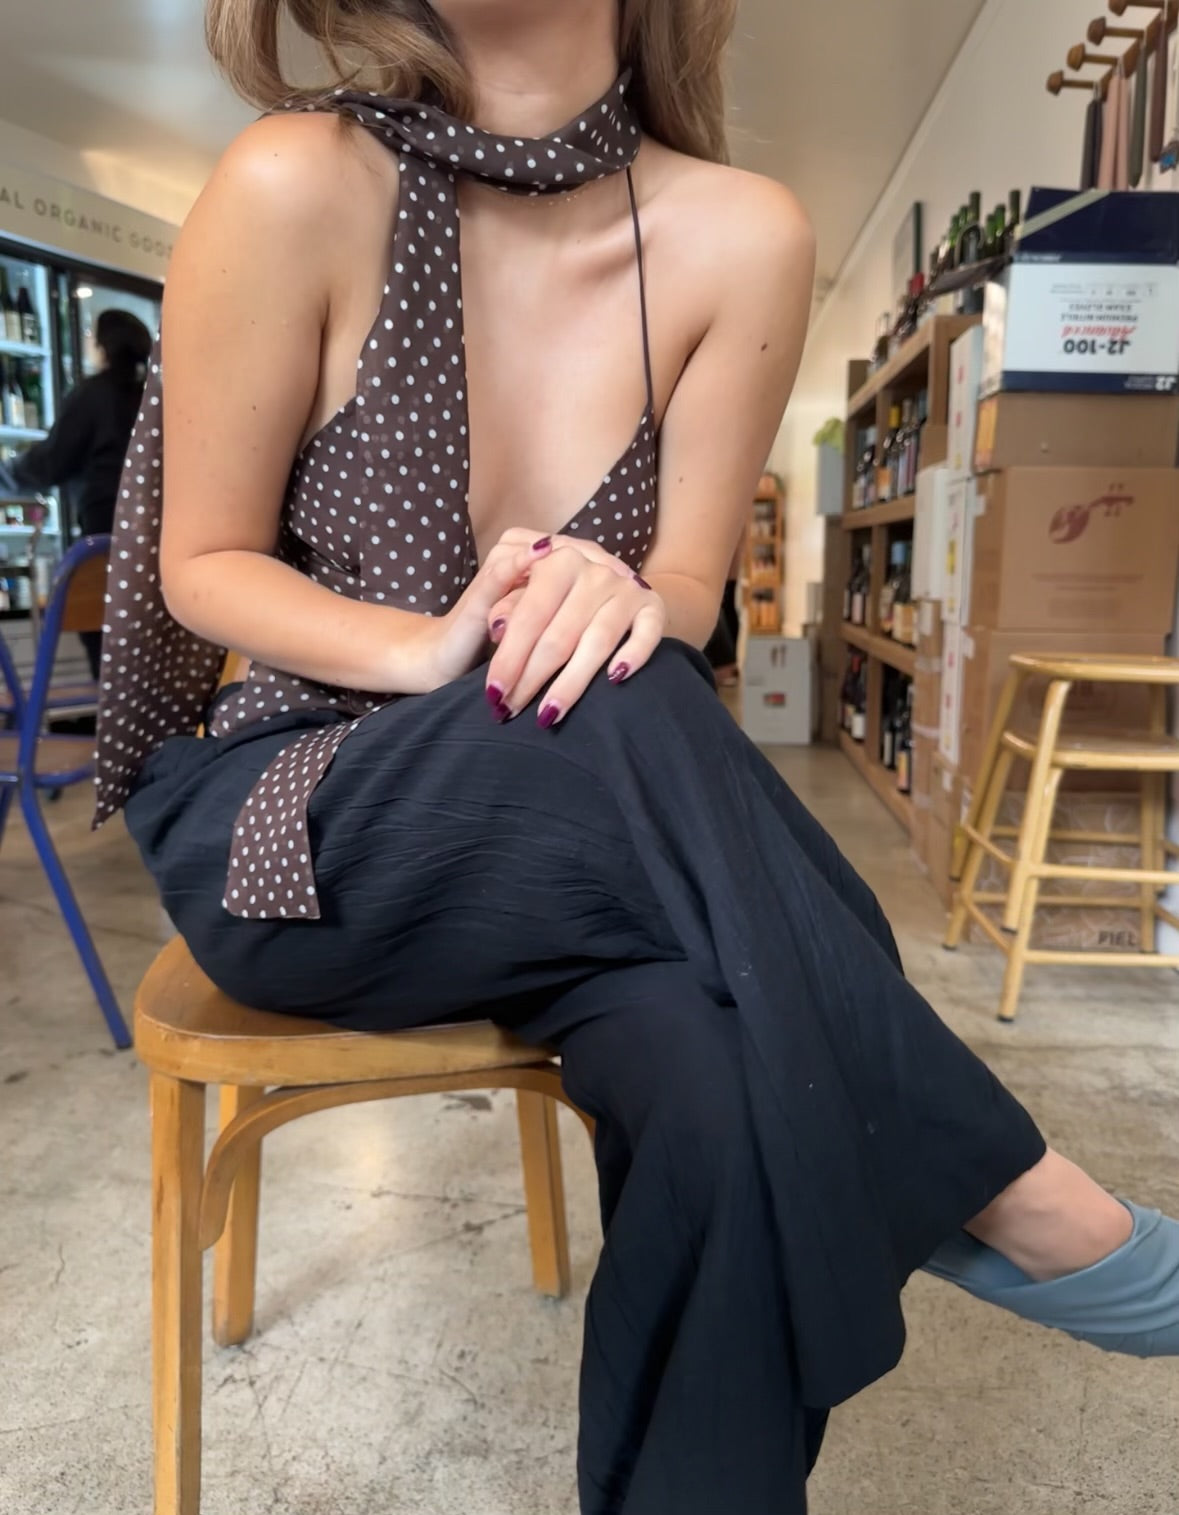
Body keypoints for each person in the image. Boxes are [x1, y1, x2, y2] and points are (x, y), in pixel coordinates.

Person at [94, 2, 1179, 1511]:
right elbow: (200, 563)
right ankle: (997, 1179)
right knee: (596, 684)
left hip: (580, 856)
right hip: (306, 824)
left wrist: (614, 596)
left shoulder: (742, 235)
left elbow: (683, 591)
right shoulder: (296, 181)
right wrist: (432, 647)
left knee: (725, 1067)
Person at [0, 308, 152, 678]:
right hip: (154, 543)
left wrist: (6, 474)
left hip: (103, 539)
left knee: (107, 647)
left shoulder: (93, 394)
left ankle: (114, 708)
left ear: (103, 345)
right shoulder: (152, 397)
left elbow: (50, 462)